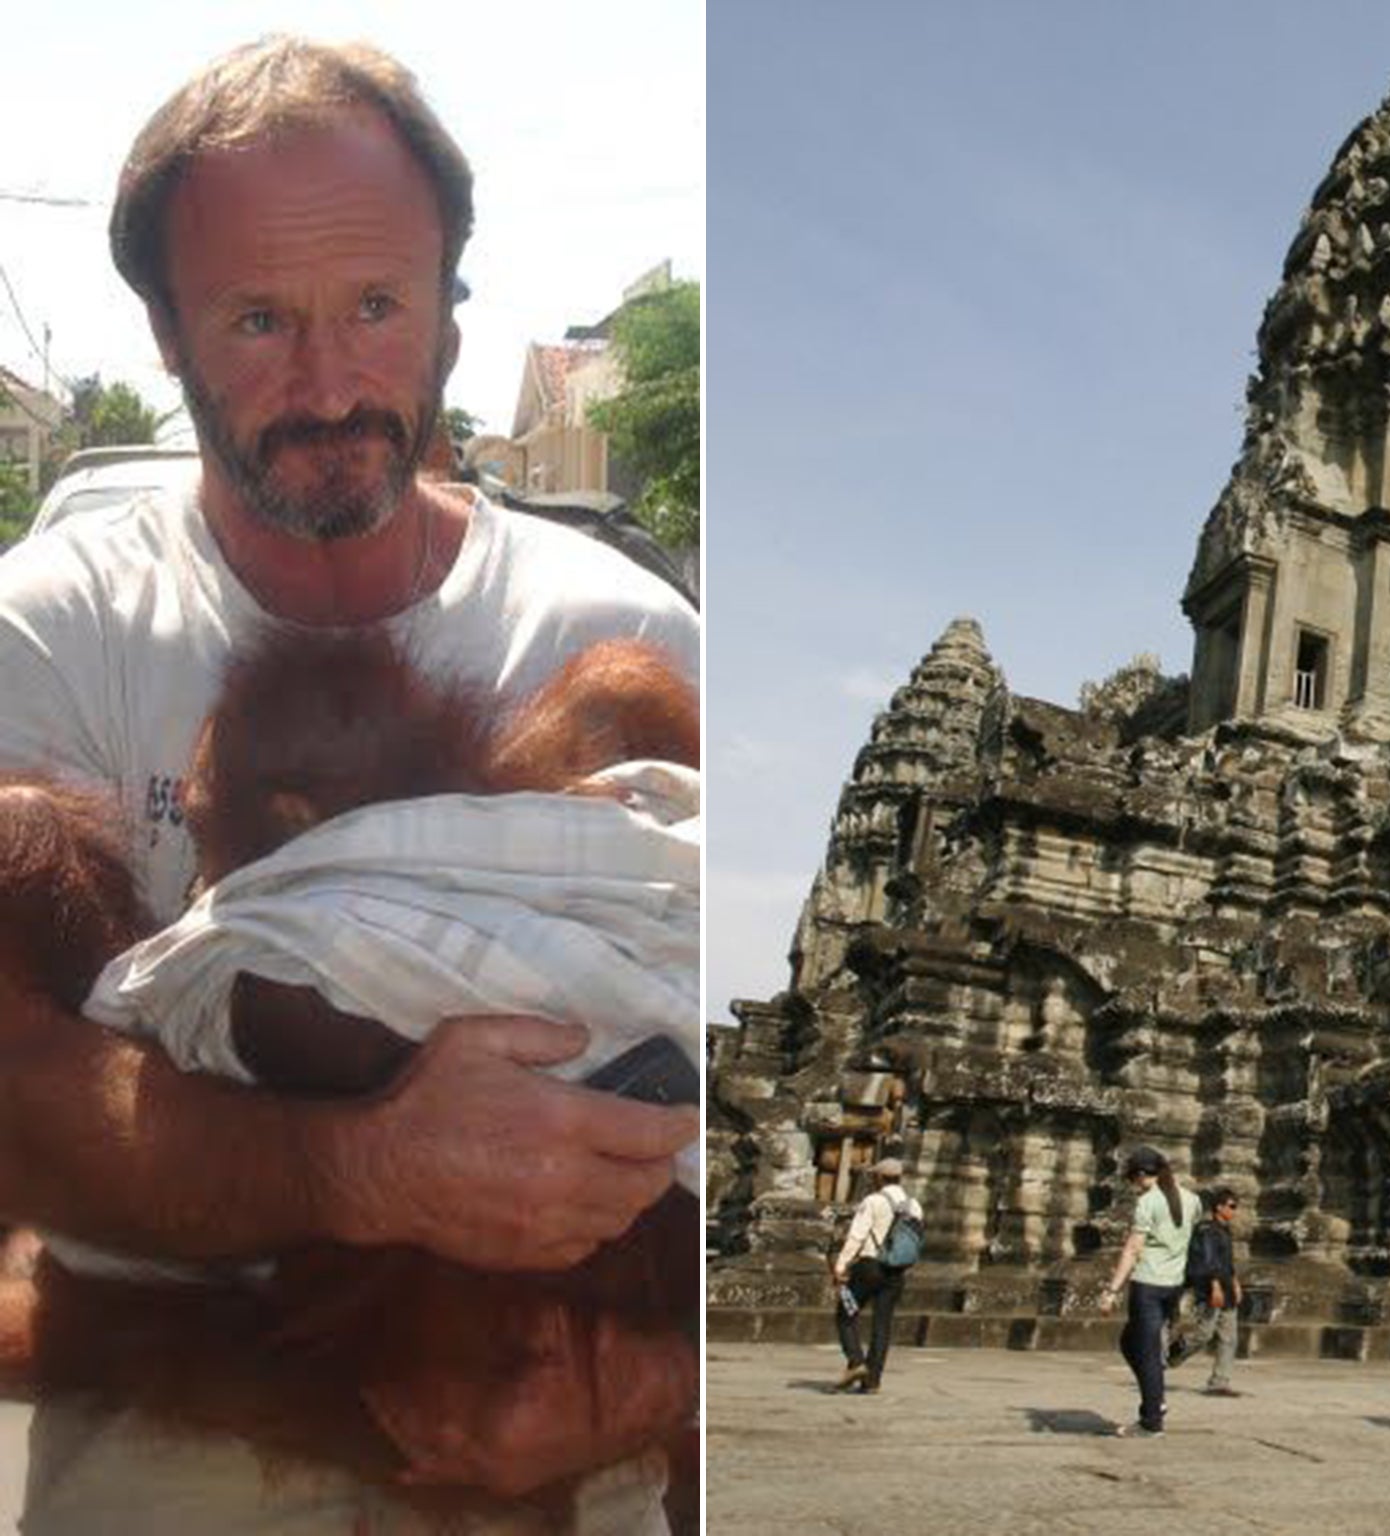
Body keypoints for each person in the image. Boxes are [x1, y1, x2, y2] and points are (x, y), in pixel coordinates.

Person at [0, 36, 699, 1533]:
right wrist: (364, 1174)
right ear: (167, 335)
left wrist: (654, 1392)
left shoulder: (614, 646)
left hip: (563, 1440)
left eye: (375, 306)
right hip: (176, 1459)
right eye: (257, 321)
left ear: (451, 311)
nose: (329, 384)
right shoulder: (45, 634)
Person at [1098, 1145, 1199, 1438]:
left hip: (1149, 1285)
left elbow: (1132, 1250)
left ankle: (1151, 1419)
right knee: (1131, 1343)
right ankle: (1156, 1399)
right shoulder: (1193, 1200)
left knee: (1147, 1352)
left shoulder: (1149, 1202)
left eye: (1133, 1179)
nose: (1134, 1186)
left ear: (1142, 1175)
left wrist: (1112, 1289)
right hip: (1173, 1285)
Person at [830, 1157, 922, 1395]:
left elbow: (857, 1236)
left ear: (879, 1178)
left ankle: (856, 1361)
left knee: (846, 1313)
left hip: (869, 1267)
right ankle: (873, 1380)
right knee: (882, 1324)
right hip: (896, 1271)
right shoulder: (914, 1206)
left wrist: (841, 1265)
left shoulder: (874, 1201)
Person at [1167, 1186, 1243, 1397]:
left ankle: (1219, 1382)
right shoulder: (1206, 1230)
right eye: (1231, 1206)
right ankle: (1176, 1351)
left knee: (1229, 1337)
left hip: (1226, 1287)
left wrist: (1235, 1283)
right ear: (1219, 1207)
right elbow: (1208, 1262)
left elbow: (1227, 1262)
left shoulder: (1225, 1231)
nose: (1234, 1211)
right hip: (1211, 1288)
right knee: (1204, 1333)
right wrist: (1215, 1287)